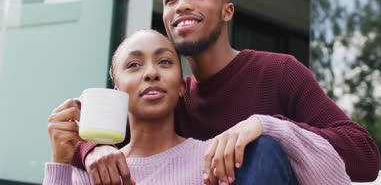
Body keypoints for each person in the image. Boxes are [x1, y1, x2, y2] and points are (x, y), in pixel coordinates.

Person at [73, 0, 381, 184]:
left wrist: (268, 125)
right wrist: (93, 150)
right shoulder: (169, 96)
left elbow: (364, 156)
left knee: (261, 148)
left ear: (227, 11)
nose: (181, 5)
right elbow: (75, 122)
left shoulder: (278, 72)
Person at [45, 30, 351, 185]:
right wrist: (61, 160)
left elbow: (335, 178)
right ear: (117, 90)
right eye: (135, 65)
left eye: (165, 62)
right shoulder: (94, 170)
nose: (151, 72)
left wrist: (270, 125)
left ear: (181, 86)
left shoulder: (215, 161)